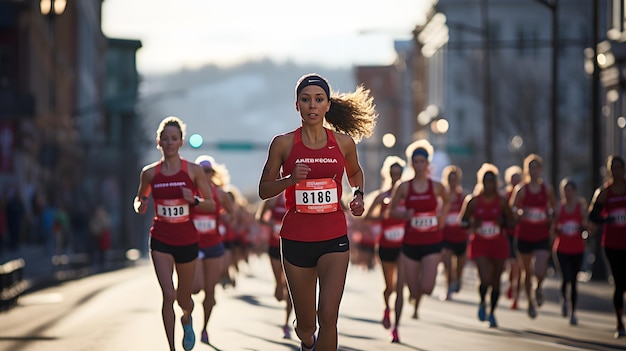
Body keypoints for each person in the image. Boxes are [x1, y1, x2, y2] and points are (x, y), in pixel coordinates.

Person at [258, 73, 377, 351]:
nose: (312, 105)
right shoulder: (283, 144)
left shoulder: (343, 143)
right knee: (306, 325)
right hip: (296, 240)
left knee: (329, 317)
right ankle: (307, 340)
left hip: (334, 238)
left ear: (327, 105)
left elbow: (356, 172)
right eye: (306, 99)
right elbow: (264, 189)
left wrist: (358, 196)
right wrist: (290, 180)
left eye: (318, 100)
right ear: (296, 105)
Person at [133, 116, 215, 351]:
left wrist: (195, 200)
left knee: (183, 299)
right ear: (159, 142)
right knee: (168, 295)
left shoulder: (194, 171)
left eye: (174, 138)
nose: (169, 143)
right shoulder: (149, 174)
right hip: (161, 239)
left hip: (187, 240)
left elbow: (211, 205)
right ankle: (171, 347)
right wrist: (141, 205)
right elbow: (140, 200)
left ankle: (187, 319)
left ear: (181, 142)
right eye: (165, 139)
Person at [388, 139, 450, 343]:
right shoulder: (404, 187)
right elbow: (392, 210)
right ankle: (412, 298)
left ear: (428, 164)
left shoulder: (437, 186)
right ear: (411, 163)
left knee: (428, 288)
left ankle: (421, 286)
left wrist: (441, 217)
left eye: (423, 161)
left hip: (432, 242)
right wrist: (404, 213)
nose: (419, 164)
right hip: (411, 244)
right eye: (416, 161)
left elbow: (448, 200)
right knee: (414, 290)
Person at [460, 163, 514, 328]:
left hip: (498, 243)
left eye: (491, 181)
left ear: (495, 183)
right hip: (480, 244)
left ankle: (492, 312)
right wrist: (472, 222)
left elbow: (512, 222)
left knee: (496, 281)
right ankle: (483, 301)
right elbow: (462, 221)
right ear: (481, 182)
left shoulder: (502, 202)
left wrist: (503, 221)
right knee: (485, 278)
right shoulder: (473, 201)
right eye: (485, 181)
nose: (488, 184)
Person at [191, 155, 234, 345]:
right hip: (193, 246)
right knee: (194, 287)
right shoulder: (189, 193)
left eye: (208, 171)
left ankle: (204, 328)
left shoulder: (220, 194)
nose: (205, 174)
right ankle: (186, 315)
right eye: (201, 171)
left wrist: (225, 221)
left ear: (213, 173)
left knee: (210, 293)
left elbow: (231, 214)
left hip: (214, 245)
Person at [510, 153, 556, 319]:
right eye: (530, 168)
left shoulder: (547, 189)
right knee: (527, 273)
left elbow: (553, 208)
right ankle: (529, 301)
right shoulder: (521, 189)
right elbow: (512, 209)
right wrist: (520, 212)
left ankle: (538, 287)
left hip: (542, 235)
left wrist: (550, 215)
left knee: (540, 271)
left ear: (541, 170)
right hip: (524, 236)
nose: (534, 171)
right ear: (526, 170)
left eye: (536, 168)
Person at [363, 156, 406, 329]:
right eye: (392, 173)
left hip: (404, 245)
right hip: (386, 245)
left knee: (401, 287)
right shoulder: (382, 196)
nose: (395, 176)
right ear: (388, 174)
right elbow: (366, 218)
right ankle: (387, 308)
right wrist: (383, 216)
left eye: (398, 173)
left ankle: (396, 328)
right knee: (390, 287)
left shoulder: (408, 194)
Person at [588, 155, 626, 339]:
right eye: (614, 168)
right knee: (619, 282)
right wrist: (605, 219)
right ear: (609, 171)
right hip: (612, 243)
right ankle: (619, 322)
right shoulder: (605, 192)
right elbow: (593, 215)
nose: (617, 171)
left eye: (620, 168)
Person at [256, 190, 294, 339]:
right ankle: (278, 285)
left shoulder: (297, 192)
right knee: (280, 289)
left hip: (292, 245)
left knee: (290, 287)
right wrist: (270, 223)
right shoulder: (273, 198)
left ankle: (286, 323)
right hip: (275, 246)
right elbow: (259, 217)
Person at [552, 178, 588, 326]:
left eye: (571, 190)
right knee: (565, 276)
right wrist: (557, 229)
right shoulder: (559, 208)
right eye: (565, 190)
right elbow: (552, 227)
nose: (568, 193)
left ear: (575, 192)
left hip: (577, 249)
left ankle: (573, 312)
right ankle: (563, 299)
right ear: (562, 192)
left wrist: (583, 228)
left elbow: (587, 225)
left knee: (573, 281)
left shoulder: (581, 208)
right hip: (561, 248)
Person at [440, 165, 469, 300]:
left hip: (460, 235)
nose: (453, 182)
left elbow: (468, 215)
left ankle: (457, 279)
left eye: (455, 179)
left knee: (459, 267)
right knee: (447, 263)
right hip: (446, 235)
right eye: (450, 179)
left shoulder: (463, 196)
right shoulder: (443, 196)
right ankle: (448, 289)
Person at [503, 165, 522, 309]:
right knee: (513, 266)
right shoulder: (505, 195)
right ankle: (511, 285)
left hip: (521, 234)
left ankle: (516, 296)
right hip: (508, 235)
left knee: (518, 267)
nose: (515, 182)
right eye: (512, 179)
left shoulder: (523, 193)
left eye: (517, 179)